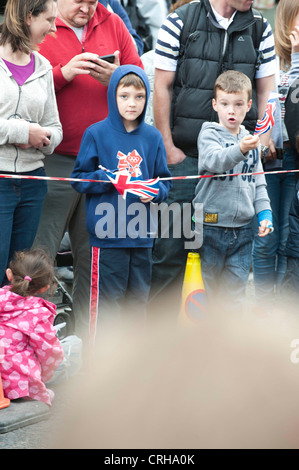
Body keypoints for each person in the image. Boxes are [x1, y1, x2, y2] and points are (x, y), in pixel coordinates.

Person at [149, 0, 276, 316]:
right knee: (169, 254)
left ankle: (217, 354)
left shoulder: (260, 26)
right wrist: (167, 147)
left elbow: (267, 90)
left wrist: (263, 137)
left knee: (226, 273)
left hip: (236, 160)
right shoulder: (180, 20)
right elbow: (161, 85)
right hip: (183, 159)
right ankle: (158, 349)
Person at [33, 0, 144, 341]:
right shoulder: (42, 24)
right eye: (78, 0)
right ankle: (37, 342)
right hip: (54, 160)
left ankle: (88, 346)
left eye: (92, 0)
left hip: (103, 166)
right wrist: (63, 73)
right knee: (39, 258)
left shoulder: (111, 21)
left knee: (94, 260)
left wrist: (119, 77)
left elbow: (140, 80)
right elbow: (22, 89)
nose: (86, 7)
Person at [71, 65, 172, 344]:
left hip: (141, 236)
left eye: (139, 97)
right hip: (107, 238)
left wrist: (156, 192)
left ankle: (131, 371)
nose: (132, 103)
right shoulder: (96, 134)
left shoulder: (152, 137)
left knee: (137, 305)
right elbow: (78, 179)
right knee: (108, 308)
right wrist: (108, 180)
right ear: (112, 97)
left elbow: (165, 181)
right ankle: (100, 367)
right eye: (124, 96)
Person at [192, 70, 273, 307]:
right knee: (205, 294)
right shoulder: (208, 133)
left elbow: (258, 182)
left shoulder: (250, 139)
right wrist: (241, 149)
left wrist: (265, 215)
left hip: (243, 232)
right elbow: (215, 161)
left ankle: (229, 343)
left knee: (234, 297)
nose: (231, 110)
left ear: (249, 105)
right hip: (208, 227)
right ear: (215, 104)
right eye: (225, 104)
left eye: (238, 104)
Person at [0, 0, 62, 287]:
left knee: (20, 276)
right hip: (1, 181)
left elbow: (55, 126)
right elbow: (27, 130)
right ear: (28, 17)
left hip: (34, 183)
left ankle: (14, 331)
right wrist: (24, 132)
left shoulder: (44, 66)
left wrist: (45, 138)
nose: (53, 29)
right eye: (48, 20)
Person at [252, 0, 299, 303]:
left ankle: (283, 307)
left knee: (289, 237)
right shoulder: (270, 58)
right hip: (268, 159)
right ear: (286, 22)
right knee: (267, 237)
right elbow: (264, 100)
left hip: (295, 158)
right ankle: (263, 305)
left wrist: (297, 60)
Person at [0, 249, 64, 406]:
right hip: (16, 385)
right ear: (44, 288)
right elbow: (49, 352)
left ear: (9, 274)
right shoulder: (38, 313)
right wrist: (44, 376)